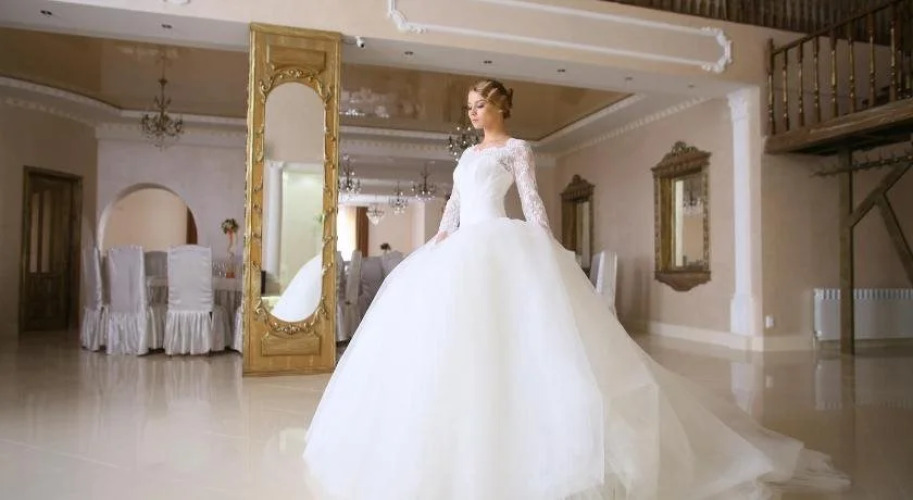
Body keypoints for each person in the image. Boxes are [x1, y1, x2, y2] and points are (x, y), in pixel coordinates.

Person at [302, 79, 849, 499]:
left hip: (503, 241)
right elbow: (455, 205)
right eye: (468, 107)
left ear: (500, 107)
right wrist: (440, 240)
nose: (472, 113)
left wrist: (545, 246)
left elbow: (531, 200)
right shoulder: (466, 156)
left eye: (479, 105)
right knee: (456, 348)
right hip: (464, 246)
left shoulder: (517, 149)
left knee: (529, 344)